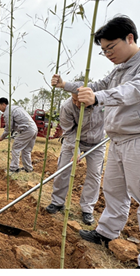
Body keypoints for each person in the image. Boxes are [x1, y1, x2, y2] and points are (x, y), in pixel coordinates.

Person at [51, 15, 140, 270]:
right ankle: (106, 232)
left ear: (130, 38)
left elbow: (138, 89)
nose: (107, 54)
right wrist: (66, 86)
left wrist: (97, 98)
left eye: (110, 47)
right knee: (114, 191)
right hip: (118, 140)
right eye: (103, 50)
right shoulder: (119, 68)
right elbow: (96, 85)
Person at [46, 95, 106, 225]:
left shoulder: (102, 102)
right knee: (63, 170)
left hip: (97, 143)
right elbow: (67, 131)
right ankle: (57, 202)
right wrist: (76, 149)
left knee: (94, 174)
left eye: (79, 101)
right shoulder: (67, 106)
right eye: (73, 99)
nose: (76, 103)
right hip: (72, 140)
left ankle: (87, 209)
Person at [0, 97, 36, 173]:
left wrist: (2, 137)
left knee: (16, 148)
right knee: (26, 150)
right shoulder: (16, 108)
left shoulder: (8, 112)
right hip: (33, 128)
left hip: (26, 130)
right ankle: (28, 169)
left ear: (4, 105)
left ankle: (14, 168)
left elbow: (8, 128)